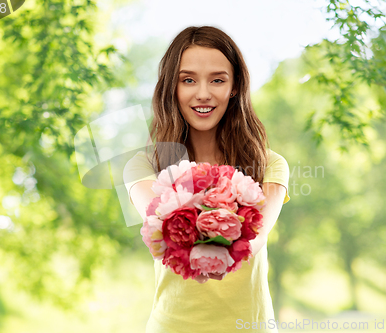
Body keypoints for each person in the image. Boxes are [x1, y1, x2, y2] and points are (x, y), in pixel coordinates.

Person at [124, 26, 290, 333]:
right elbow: (167, 234)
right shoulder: (142, 166)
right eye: (188, 80)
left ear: (235, 86)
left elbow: (251, 241)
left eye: (217, 79)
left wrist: (185, 215)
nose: (203, 93)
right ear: (171, 88)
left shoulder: (270, 165)